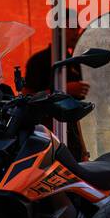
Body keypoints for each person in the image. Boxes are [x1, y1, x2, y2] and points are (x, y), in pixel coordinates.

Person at [23, 20, 91, 159]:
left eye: (77, 29)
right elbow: (28, 98)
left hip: (73, 136)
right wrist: (64, 89)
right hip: (45, 135)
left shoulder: (75, 62)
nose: (76, 34)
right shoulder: (39, 61)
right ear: (58, 30)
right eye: (71, 28)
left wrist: (83, 146)